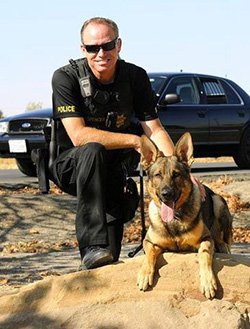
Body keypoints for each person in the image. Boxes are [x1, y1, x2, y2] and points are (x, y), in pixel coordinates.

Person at [51, 17, 175, 270]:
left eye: (107, 46)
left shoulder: (135, 77)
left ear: (118, 45)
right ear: (82, 49)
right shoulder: (65, 78)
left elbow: (154, 129)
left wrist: (180, 172)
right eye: (92, 48)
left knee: (108, 261)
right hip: (72, 165)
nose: (101, 53)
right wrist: (133, 140)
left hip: (112, 169)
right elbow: (79, 136)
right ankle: (91, 246)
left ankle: (100, 258)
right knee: (92, 150)